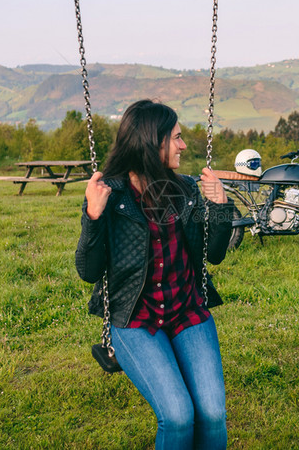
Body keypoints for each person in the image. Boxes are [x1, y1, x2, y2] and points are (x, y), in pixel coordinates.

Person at [75, 99, 234, 450]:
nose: (183, 145)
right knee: (177, 416)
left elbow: (215, 254)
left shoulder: (186, 190)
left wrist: (221, 208)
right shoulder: (110, 196)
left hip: (187, 312)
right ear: (152, 142)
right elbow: (88, 271)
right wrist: (93, 216)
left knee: (211, 414)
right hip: (135, 319)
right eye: (176, 138)